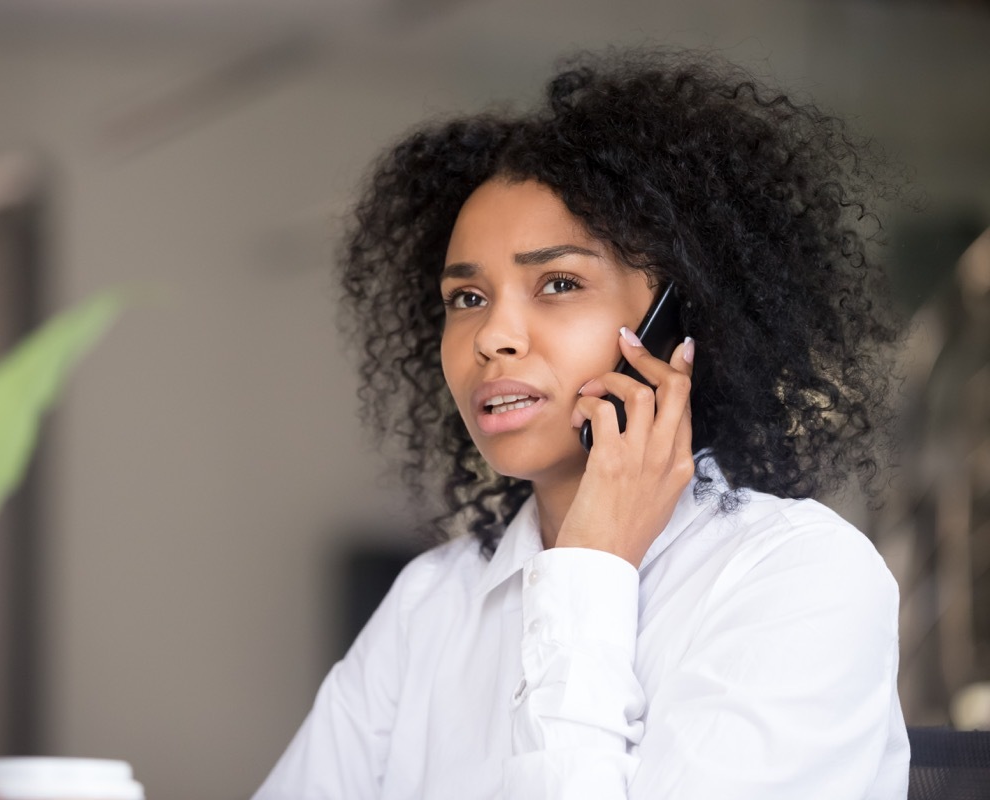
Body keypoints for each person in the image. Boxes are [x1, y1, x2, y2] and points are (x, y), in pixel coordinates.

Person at [255, 49, 908, 799]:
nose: (492, 337)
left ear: (679, 323)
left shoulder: (797, 578)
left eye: (558, 284)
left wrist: (590, 573)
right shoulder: (433, 603)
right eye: (466, 298)